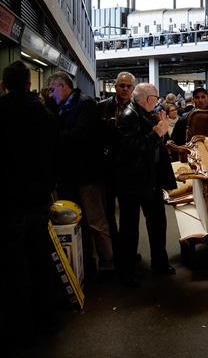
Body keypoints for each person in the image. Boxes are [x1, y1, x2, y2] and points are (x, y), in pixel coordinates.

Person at [1, 61, 60, 342]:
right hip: (39, 198)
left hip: (10, 200)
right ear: (28, 83)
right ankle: (48, 317)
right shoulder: (45, 114)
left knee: (14, 263)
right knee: (40, 256)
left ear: (4, 84)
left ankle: (20, 324)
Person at [48, 71, 114, 274]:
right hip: (70, 176)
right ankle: (87, 262)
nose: (50, 95)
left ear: (63, 86)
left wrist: (56, 136)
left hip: (88, 175)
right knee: (78, 221)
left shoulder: (84, 105)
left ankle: (107, 262)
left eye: (52, 89)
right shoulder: (61, 108)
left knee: (95, 221)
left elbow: (80, 137)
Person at [115, 83, 177, 286]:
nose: (158, 101)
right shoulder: (128, 116)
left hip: (150, 180)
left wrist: (161, 132)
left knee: (158, 223)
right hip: (133, 182)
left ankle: (159, 263)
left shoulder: (146, 113)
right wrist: (157, 133)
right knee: (130, 229)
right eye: (156, 97)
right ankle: (127, 273)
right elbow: (132, 149)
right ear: (147, 98)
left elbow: (156, 144)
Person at [98, 71, 136, 256]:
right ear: (115, 86)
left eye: (129, 86)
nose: (125, 89)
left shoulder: (138, 109)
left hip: (129, 170)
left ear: (133, 88)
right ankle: (115, 250)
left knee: (128, 214)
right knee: (108, 212)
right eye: (122, 85)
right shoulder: (102, 107)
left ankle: (127, 251)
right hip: (106, 167)